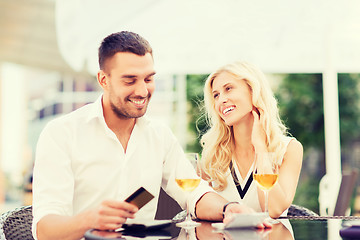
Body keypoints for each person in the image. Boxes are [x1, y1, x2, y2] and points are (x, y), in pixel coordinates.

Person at [32, 32, 260, 240]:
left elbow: (194, 193)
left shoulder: (159, 135)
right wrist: (89, 220)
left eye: (148, 79)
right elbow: (45, 230)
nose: (142, 91)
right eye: (130, 80)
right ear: (104, 80)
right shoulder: (61, 134)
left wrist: (227, 208)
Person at [200, 61, 303, 219]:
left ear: (252, 90)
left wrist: (261, 149)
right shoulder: (213, 154)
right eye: (216, 95)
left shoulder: (289, 148)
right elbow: (199, 208)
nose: (221, 100)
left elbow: (273, 210)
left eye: (228, 89)